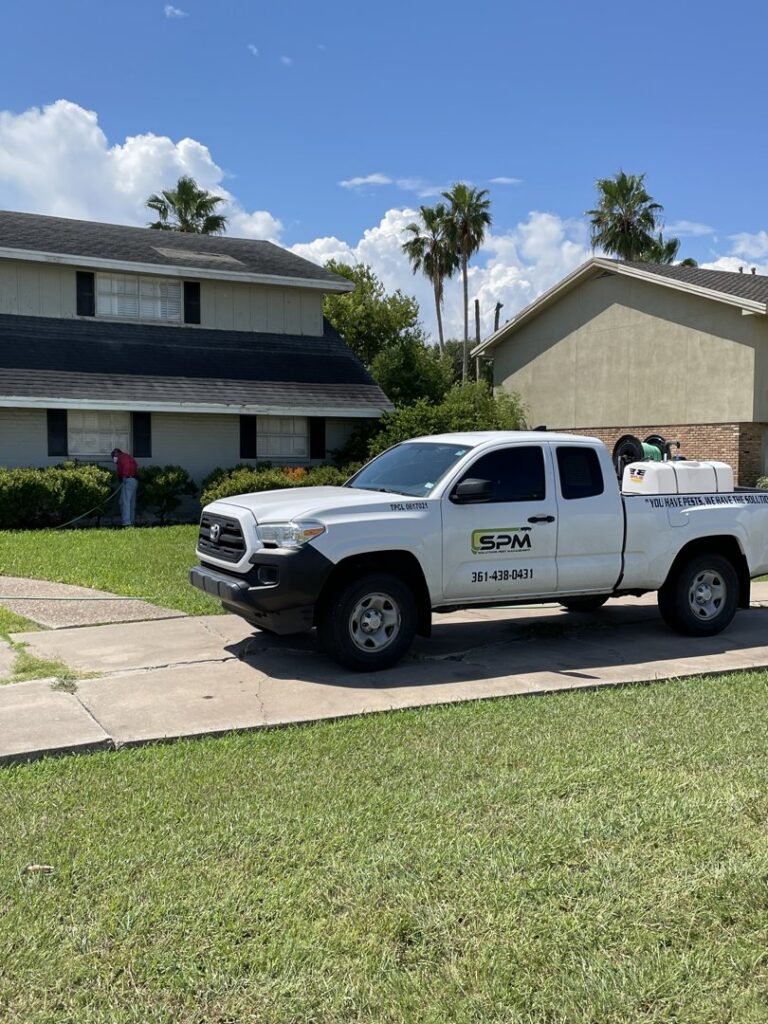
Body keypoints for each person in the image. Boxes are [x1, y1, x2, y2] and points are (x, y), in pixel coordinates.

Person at [112, 448, 139, 527]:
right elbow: (135, 465)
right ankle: (131, 521)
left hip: (128, 480)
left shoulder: (122, 457)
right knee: (131, 502)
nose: (113, 458)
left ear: (117, 453)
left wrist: (124, 476)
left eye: (113, 455)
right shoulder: (127, 457)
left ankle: (126, 522)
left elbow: (126, 465)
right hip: (133, 480)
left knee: (124, 501)